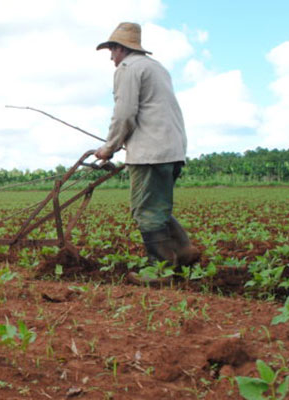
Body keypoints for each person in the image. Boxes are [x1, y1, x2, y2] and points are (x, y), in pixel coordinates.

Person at [93, 22, 200, 267]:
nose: (111, 57)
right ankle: (184, 250)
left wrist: (109, 148)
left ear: (120, 48)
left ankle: (159, 269)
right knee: (156, 205)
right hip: (172, 149)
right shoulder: (157, 68)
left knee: (145, 211)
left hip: (151, 153)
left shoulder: (128, 68)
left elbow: (125, 113)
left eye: (112, 50)